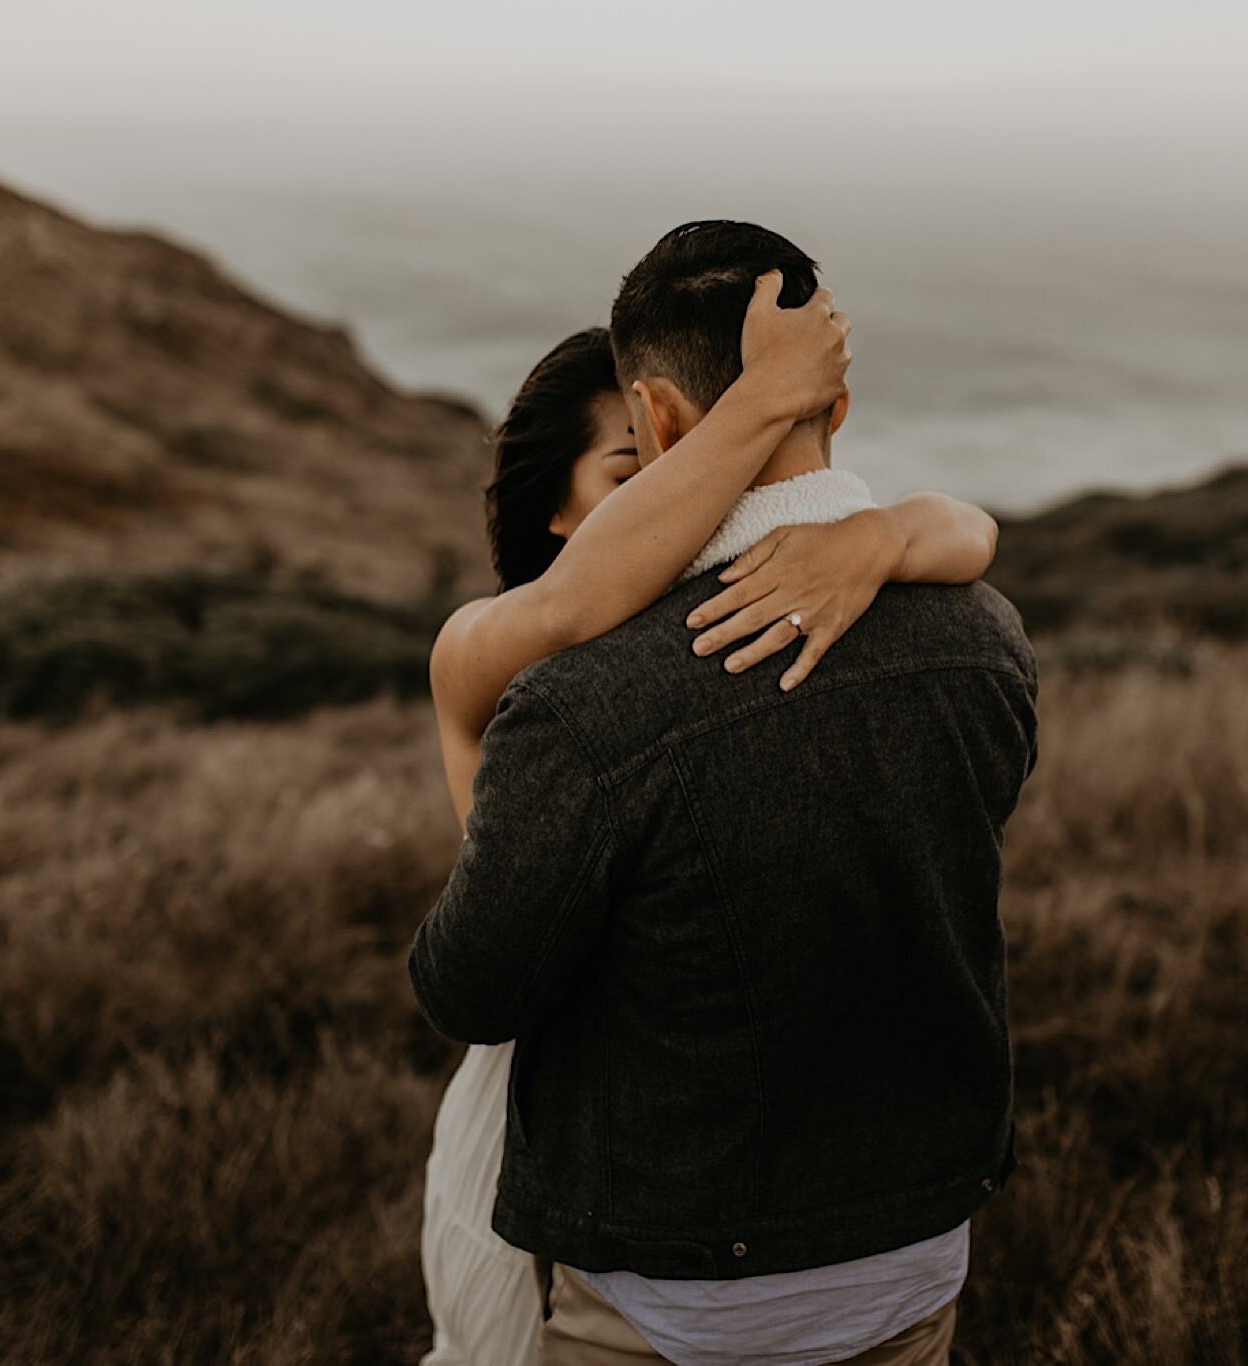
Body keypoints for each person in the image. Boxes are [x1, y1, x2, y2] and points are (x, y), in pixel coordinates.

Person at [420, 261, 1007, 1364]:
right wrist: (771, 400)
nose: (676, 507)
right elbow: (581, 599)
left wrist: (879, 535)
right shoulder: (498, 649)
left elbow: (967, 532)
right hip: (561, 1094)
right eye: (633, 476)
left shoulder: (638, 668)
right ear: (555, 508)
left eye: (668, 470)